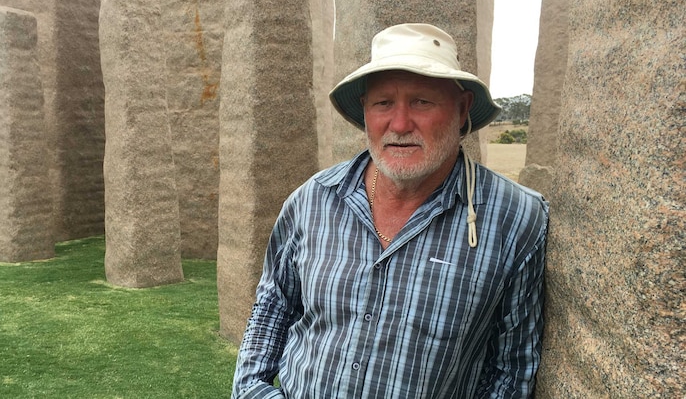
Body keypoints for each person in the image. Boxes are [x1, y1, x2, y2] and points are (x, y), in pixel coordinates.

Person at [231, 23, 548, 398]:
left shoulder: (516, 219)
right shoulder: (311, 201)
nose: (399, 124)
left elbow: (511, 372)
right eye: (383, 103)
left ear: (462, 109)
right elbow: (271, 309)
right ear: (365, 109)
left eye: (421, 102)